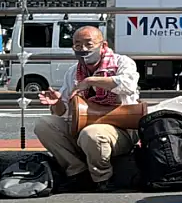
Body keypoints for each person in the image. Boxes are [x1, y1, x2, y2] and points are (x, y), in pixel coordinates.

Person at [33, 26, 140, 192]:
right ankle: (77, 173)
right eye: (77, 45)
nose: (83, 49)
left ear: (103, 45)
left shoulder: (122, 62)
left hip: (120, 128)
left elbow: (128, 85)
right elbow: (65, 113)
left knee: (91, 133)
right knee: (44, 124)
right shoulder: (73, 72)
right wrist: (57, 103)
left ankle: (103, 178)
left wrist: (91, 81)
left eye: (88, 44)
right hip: (82, 125)